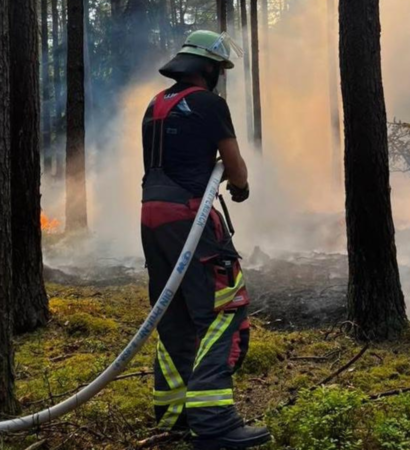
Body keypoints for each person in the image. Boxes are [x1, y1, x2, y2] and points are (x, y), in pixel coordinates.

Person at [140, 30, 271, 450]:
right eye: (219, 69)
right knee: (224, 311)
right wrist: (242, 187)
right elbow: (235, 169)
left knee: (174, 315)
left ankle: (174, 414)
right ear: (209, 68)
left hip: (152, 219)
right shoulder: (210, 105)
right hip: (190, 218)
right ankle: (214, 422)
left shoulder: (154, 106)